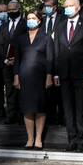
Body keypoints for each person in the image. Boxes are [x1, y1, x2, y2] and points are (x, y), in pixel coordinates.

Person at [52, 0, 83, 152]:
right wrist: (55, 73)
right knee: (67, 109)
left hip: (81, 74)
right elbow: (56, 51)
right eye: (66, 5)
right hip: (63, 74)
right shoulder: (60, 26)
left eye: (71, 5)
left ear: (78, 7)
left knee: (81, 109)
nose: (68, 8)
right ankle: (72, 141)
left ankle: (82, 142)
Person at [13, 11, 54, 150]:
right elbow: (17, 59)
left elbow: (50, 58)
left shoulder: (46, 38)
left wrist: (49, 76)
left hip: (41, 77)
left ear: (39, 20)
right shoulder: (20, 38)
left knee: (40, 108)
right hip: (24, 77)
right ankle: (30, 138)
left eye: (33, 18)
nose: (30, 20)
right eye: (28, 18)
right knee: (27, 108)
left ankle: (38, 139)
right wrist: (16, 76)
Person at [0, 0, 25, 124]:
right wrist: (5, 59)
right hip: (6, 64)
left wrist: (16, 59)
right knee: (9, 90)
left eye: (14, 9)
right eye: (9, 10)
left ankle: (21, 116)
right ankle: (11, 115)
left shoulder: (25, 25)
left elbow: (27, 43)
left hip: (21, 63)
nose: (11, 12)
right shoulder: (4, 25)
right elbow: (0, 44)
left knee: (21, 90)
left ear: (19, 9)